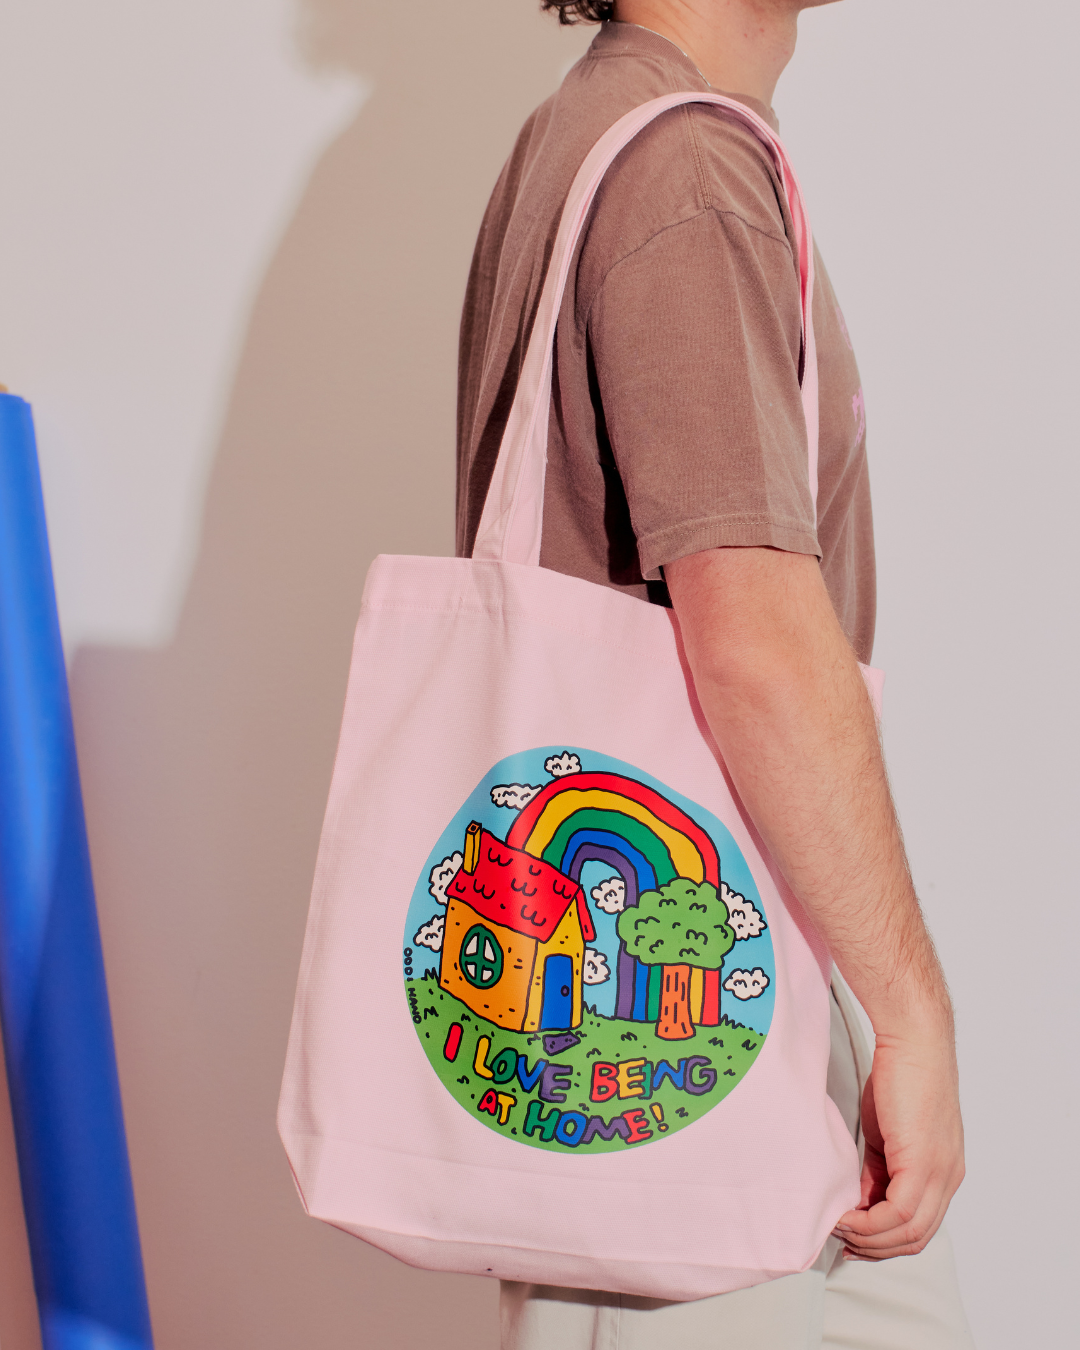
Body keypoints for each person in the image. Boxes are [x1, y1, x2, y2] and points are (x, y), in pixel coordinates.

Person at [456, 2, 973, 1347]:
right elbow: (753, 640)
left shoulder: (625, 131)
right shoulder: (679, 166)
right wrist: (914, 1011)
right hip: (680, 1045)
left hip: (740, 989)